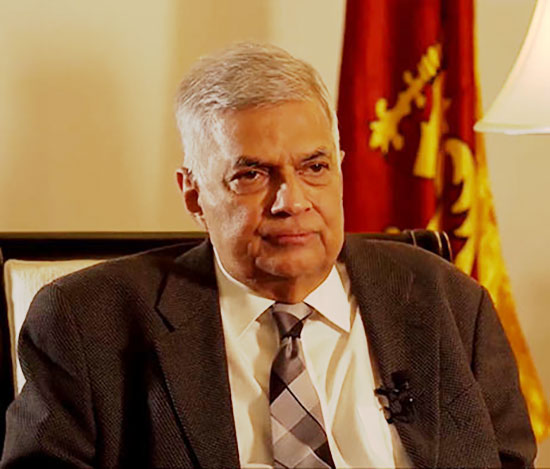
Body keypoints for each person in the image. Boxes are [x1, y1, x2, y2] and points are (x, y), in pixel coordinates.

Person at [1, 42, 536, 468]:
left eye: (314, 167)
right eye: (252, 174)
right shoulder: (87, 322)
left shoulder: (447, 301)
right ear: (194, 195)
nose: (292, 202)